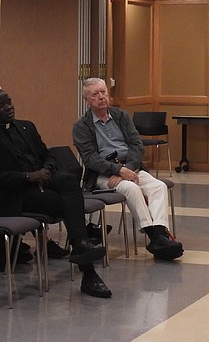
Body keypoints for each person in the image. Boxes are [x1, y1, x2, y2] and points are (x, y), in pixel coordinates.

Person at [0, 89, 110, 297]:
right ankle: (87, 269)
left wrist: (46, 170)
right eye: (0, 106)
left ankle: (80, 245)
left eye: (9, 102)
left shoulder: (26, 126)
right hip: (15, 194)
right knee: (69, 205)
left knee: (69, 181)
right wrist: (27, 177)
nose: (8, 108)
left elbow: (48, 155)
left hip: (43, 180)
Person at [73, 77, 183, 261]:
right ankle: (155, 236)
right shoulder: (81, 126)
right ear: (86, 100)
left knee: (158, 186)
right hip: (102, 175)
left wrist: (127, 168)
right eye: (95, 94)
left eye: (103, 92)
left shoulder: (121, 116)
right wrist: (117, 170)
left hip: (130, 168)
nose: (101, 97)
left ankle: (160, 235)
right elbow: (90, 158)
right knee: (131, 189)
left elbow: (136, 145)